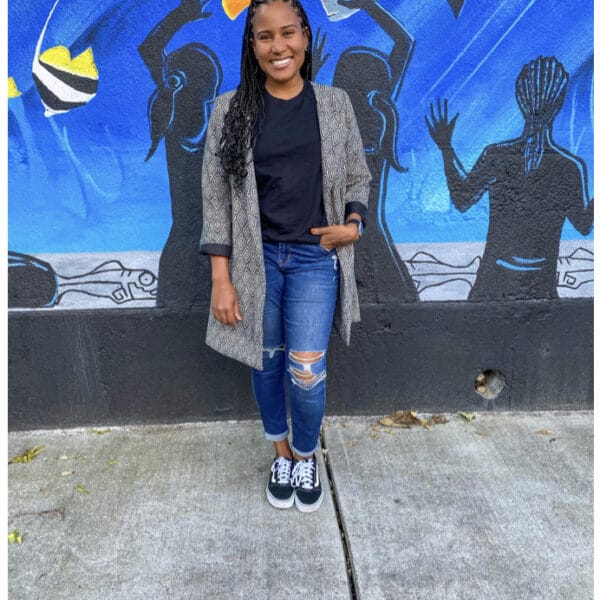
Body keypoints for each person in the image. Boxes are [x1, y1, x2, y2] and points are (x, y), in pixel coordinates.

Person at [199, 0, 370, 512]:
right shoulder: (230, 110)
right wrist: (221, 280)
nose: (279, 47)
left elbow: (358, 174)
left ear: (305, 37)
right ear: (251, 46)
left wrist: (353, 226)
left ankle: (304, 452)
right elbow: (215, 199)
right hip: (257, 260)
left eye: (288, 33)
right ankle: (280, 451)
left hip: (317, 256)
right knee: (266, 360)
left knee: (306, 367)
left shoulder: (335, 104)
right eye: (265, 37)